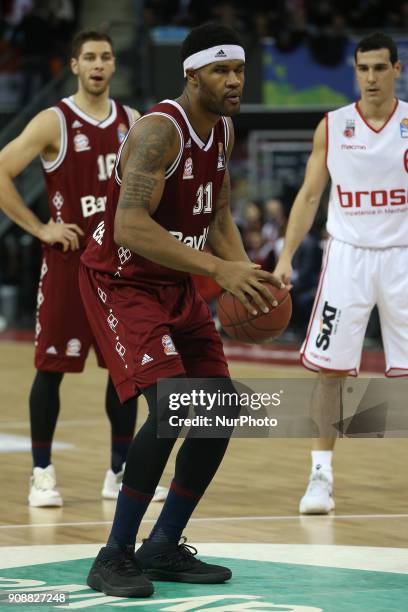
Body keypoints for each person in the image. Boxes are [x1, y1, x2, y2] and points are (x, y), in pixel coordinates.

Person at [79, 22, 283, 598]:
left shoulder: (222, 131)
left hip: (179, 284)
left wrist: (245, 278)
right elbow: (130, 224)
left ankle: (164, 544)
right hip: (123, 282)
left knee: (218, 409)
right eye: (221, 70)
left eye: (239, 70)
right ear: (192, 74)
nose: (234, 80)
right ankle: (113, 554)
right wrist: (219, 271)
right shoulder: (156, 132)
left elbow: (216, 214)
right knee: (173, 407)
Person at [0, 29, 167, 507]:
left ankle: (118, 472)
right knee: (50, 369)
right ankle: (41, 472)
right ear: (74, 65)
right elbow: (2, 170)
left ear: (114, 66)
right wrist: (40, 228)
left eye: (106, 57)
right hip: (69, 265)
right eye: (89, 57)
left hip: (118, 267)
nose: (98, 64)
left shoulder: (134, 122)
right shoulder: (54, 121)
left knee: (125, 372)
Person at [274, 32, 408, 514]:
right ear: (354, 72)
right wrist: (286, 256)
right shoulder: (332, 126)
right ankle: (320, 478)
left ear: (396, 68)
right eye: (362, 68)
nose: (370, 77)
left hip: (403, 256)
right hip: (347, 257)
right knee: (329, 372)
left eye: (379, 67)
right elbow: (309, 197)